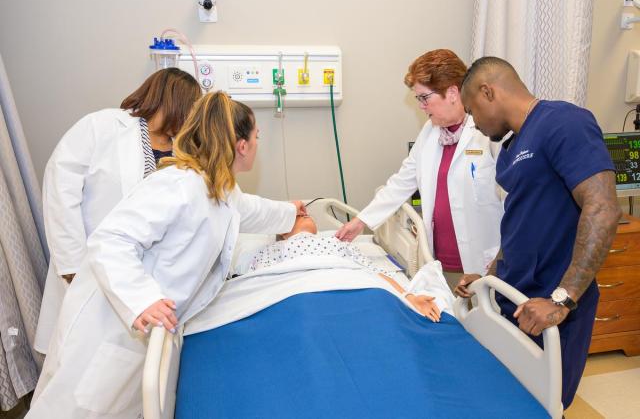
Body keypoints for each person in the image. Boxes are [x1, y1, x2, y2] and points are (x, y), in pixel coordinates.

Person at [27, 92, 306, 418]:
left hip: (148, 332)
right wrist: (143, 299)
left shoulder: (218, 188)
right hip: (111, 327)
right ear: (242, 146)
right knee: (76, 408)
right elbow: (111, 240)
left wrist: (291, 212)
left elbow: (250, 210)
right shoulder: (178, 186)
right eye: (257, 136)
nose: (258, 143)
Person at [457, 56, 621, 408]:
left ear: (488, 92)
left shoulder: (564, 122)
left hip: (548, 305)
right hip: (513, 300)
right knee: (506, 401)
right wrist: (488, 278)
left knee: (541, 406)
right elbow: (522, 222)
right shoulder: (510, 149)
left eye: (471, 111)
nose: (474, 124)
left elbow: (603, 208)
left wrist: (562, 299)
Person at [35, 68, 202, 354]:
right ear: (175, 101)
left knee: (126, 369)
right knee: (77, 360)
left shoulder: (183, 150)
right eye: (191, 108)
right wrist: (73, 265)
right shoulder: (101, 127)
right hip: (88, 267)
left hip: (145, 281)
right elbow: (60, 189)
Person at [335, 49, 503, 291]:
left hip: (483, 265)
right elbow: (401, 182)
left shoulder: (488, 134)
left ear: (453, 92)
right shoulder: (430, 132)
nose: (422, 106)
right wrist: (360, 222)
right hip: (440, 261)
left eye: (425, 97)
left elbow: (513, 202)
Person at [251, 215, 445, 322]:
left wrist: (407, 296)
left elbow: (374, 272)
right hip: (301, 296)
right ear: (281, 232)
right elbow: (260, 282)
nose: (304, 214)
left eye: (305, 213)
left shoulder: (338, 244)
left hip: (351, 290)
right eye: (297, 215)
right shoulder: (273, 249)